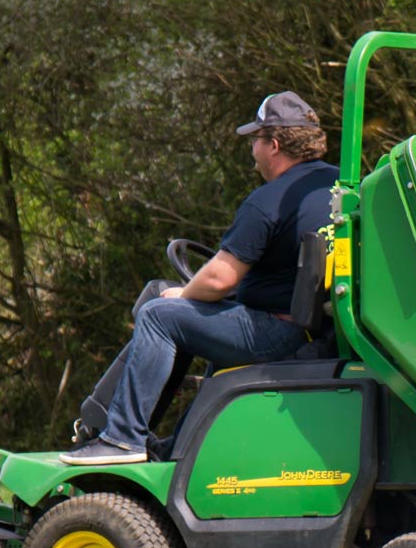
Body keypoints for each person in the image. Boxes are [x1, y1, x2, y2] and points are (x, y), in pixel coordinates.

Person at [61, 91, 340, 465]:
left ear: (274, 145)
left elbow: (219, 279)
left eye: (255, 140)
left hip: (280, 332)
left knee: (160, 315)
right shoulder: (340, 188)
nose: (252, 150)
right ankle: (179, 451)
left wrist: (181, 295)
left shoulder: (271, 199)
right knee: (212, 337)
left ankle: (122, 438)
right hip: (318, 330)